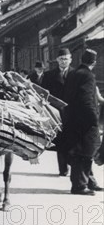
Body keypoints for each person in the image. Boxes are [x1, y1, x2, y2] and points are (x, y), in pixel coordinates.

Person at [62, 49, 103, 195]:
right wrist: (94, 120)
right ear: (94, 62)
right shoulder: (88, 76)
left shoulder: (73, 73)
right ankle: (79, 186)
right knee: (85, 152)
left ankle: (90, 182)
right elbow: (86, 100)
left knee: (82, 151)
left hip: (72, 118)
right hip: (84, 120)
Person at [41, 47, 74, 176]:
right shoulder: (49, 75)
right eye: (61, 59)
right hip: (56, 112)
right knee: (60, 140)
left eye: (66, 59)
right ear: (57, 60)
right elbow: (43, 93)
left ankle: (73, 164)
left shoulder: (75, 74)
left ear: (70, 59)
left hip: (72, 112)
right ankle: (63, 169)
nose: (63, 61)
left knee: (72, 139)